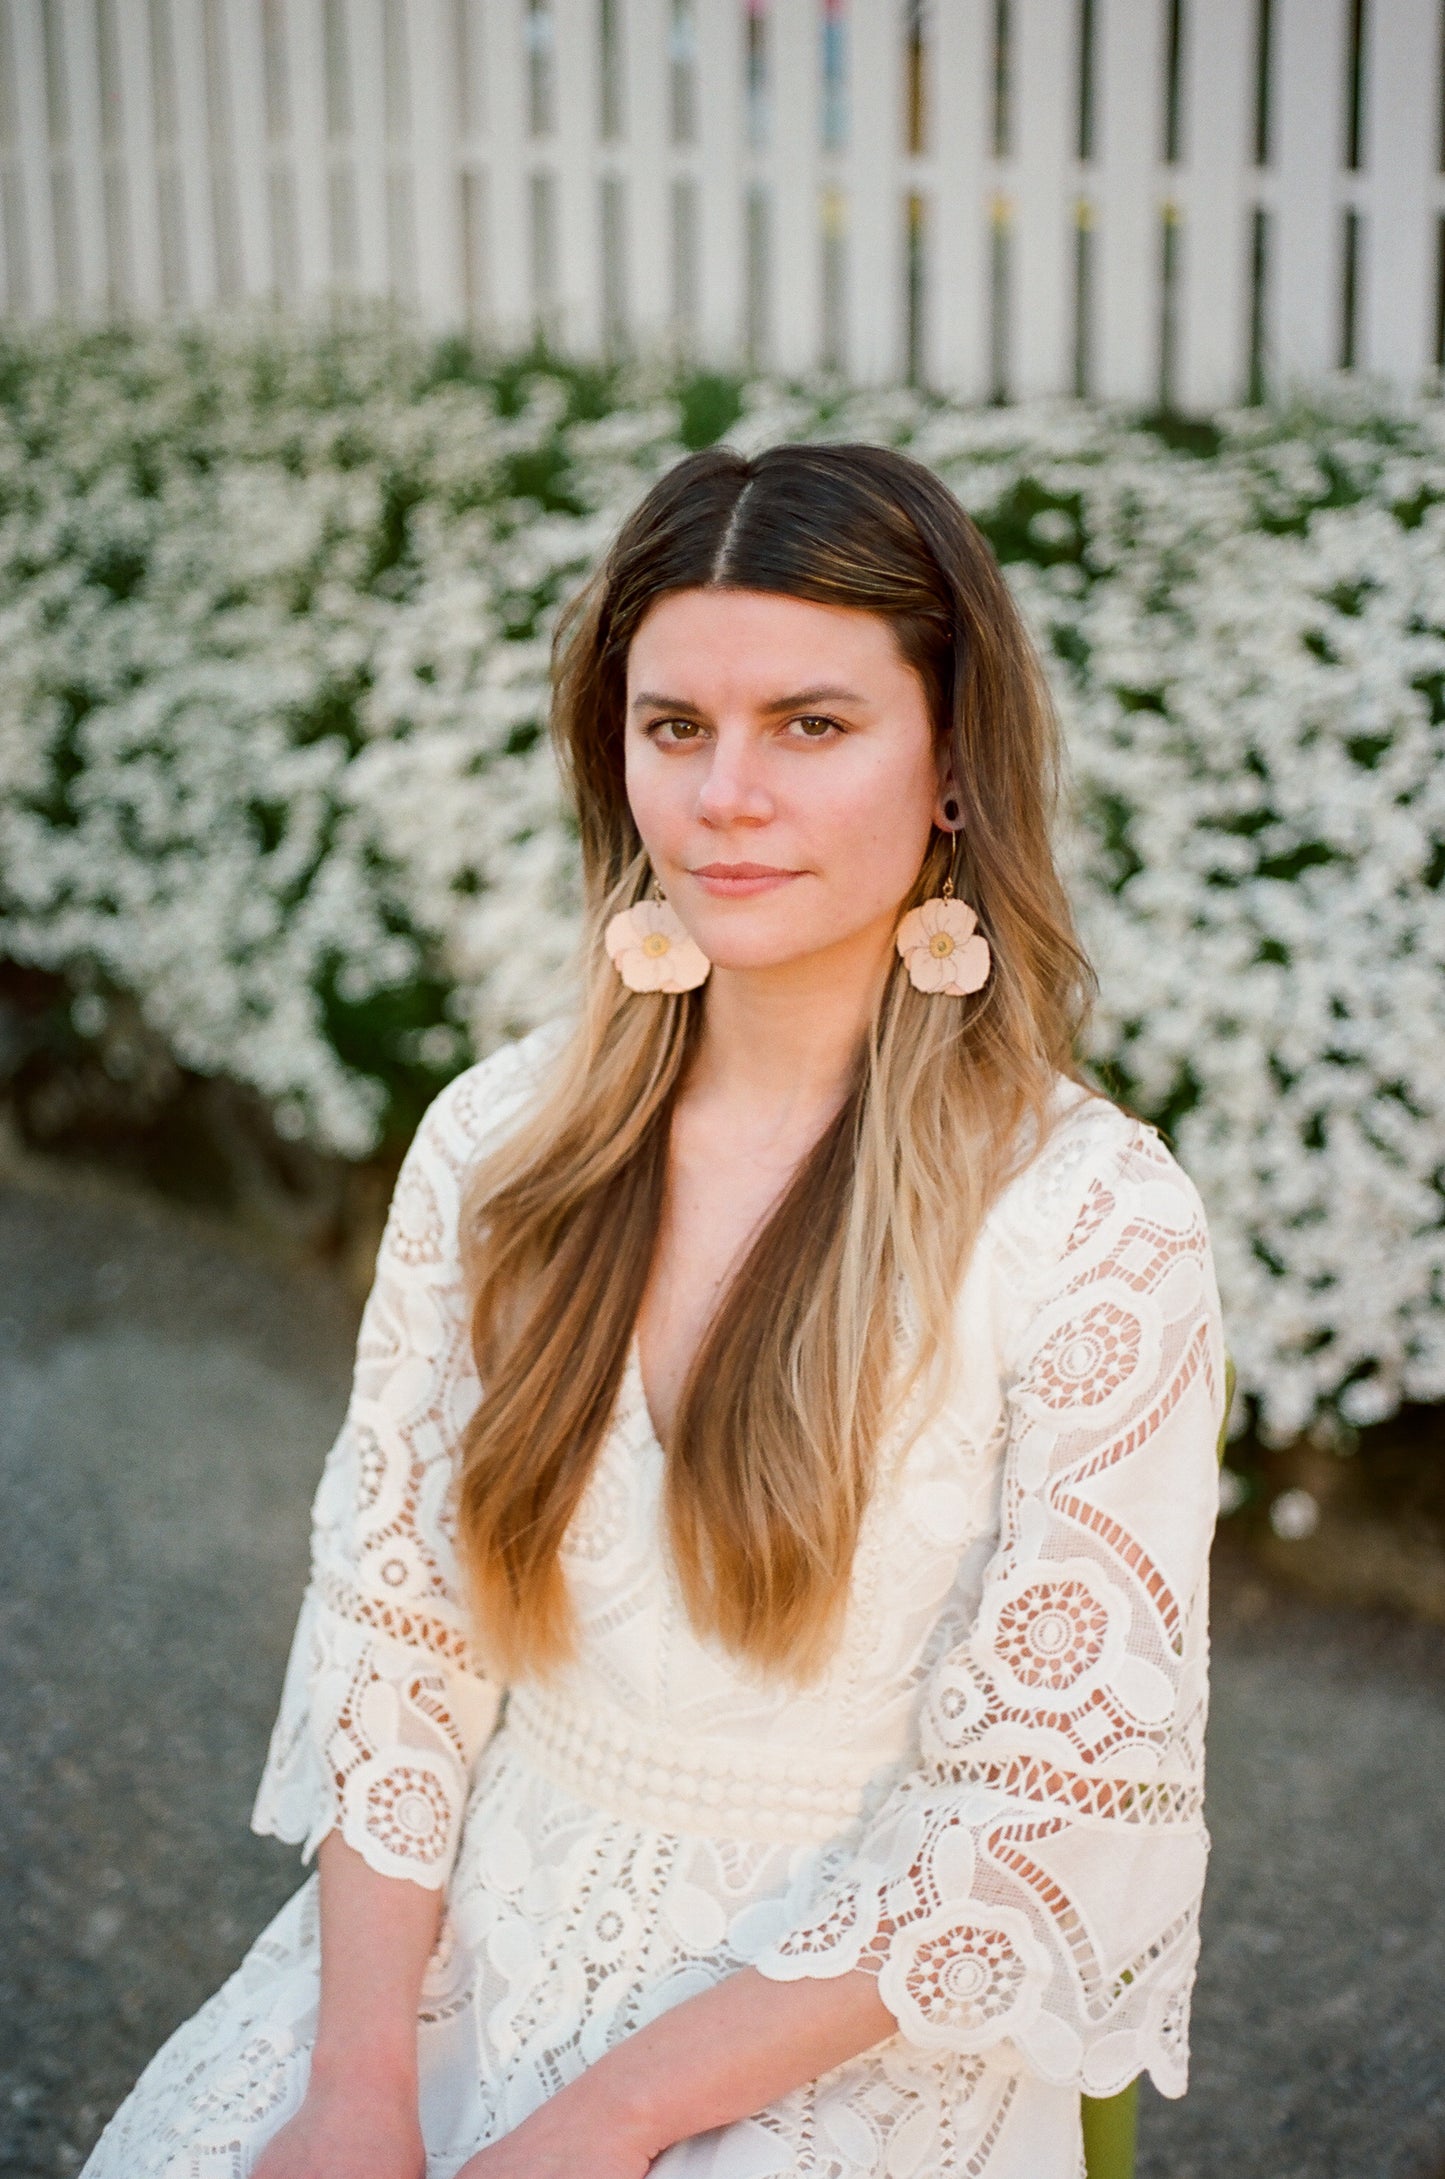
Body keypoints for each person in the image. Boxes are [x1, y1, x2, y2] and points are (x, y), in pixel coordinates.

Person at [83, 443, 1226, 2179]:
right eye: (674, 726)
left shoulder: (1090, 1221)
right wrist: (360, 2089)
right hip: (456, 1953)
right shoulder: (500, 1141)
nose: (724, 798)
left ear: (950, 771)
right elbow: (405, 1643)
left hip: (850, 2015)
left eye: (812, 725)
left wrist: (595, 2133)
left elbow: (1033, 1812)